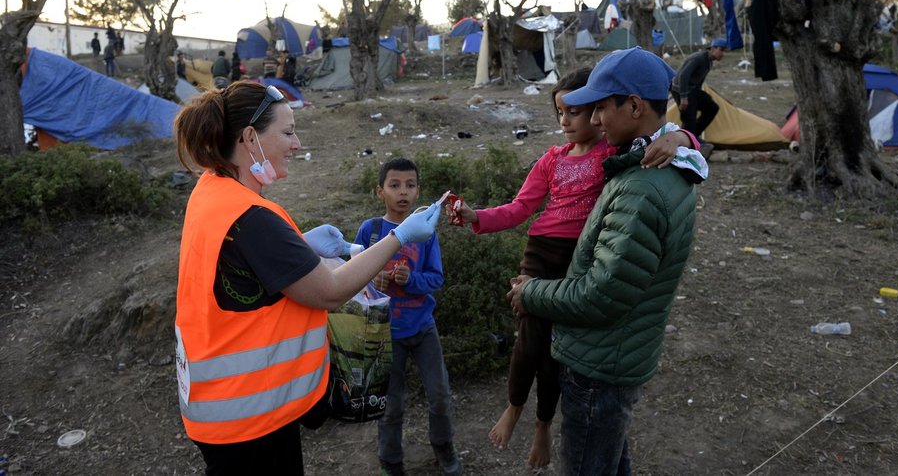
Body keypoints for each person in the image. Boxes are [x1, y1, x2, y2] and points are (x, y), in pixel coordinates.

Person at [172, 83, 441, 474]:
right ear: (250, 138)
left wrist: (299, 245)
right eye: (287, 132)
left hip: (220, 407)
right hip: (249, 417)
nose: (297, 144)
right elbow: (330, 292)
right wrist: (399, 237)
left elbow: (239, 264)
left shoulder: (212, 190)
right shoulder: (252, 218)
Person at [452, 68, 706, 469]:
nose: (567, 121)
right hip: (542, 251)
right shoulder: (551, 160)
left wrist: (681, 137)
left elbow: (666, 137)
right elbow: (520, 208)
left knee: (558, 351)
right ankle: (516, 407)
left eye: (583, 110)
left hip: (578, 256)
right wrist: (475, 216)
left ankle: (542, 424)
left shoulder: (614, 153)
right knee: (530, 339)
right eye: (560, 112)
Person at [354, 158, 461, 476]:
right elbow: (352, 277)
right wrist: (373, 280)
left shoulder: (425, 232)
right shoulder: (370, 231)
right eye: (394, 185)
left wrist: (409, 279)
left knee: (440, 396)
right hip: (385, 334)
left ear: (418, 192)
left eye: (410, 185)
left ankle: (444, 447)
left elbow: (436, 279)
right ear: (380, 191)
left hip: (423, 327)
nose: (403, 192)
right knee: (390, 406)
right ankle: (390, 461)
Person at [670, 38, 727, 146]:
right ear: (713, 48)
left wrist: (698, 96)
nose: (723, 53)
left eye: (724, 51)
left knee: (712, 108)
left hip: (693, 90)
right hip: (681, 90)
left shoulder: (709, 61)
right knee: (689, 119)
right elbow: (683, 76)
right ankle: (687, 141)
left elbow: (699, 80)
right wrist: (683, 97)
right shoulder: (699, 58)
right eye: (721, 50)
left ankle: (693, 136)